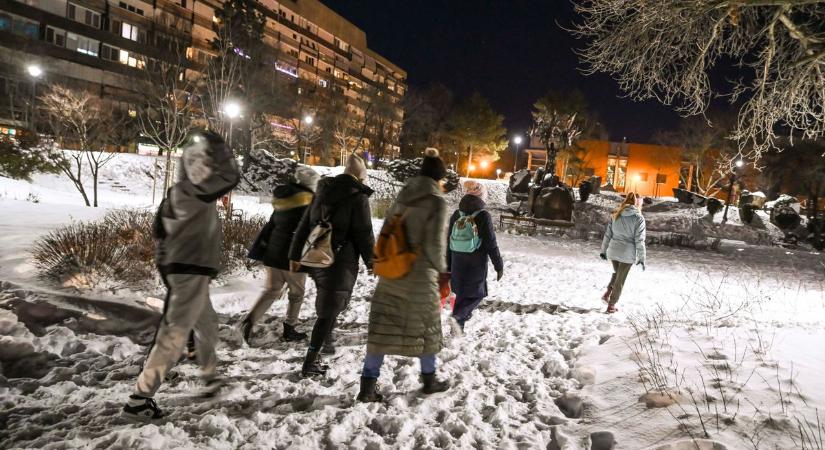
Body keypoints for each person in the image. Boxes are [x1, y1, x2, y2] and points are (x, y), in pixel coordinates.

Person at [123, 130, 240, 420]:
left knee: (208, 325)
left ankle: (210, 375)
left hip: (189, 273)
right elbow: (231, 176)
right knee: (172, 336)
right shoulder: (194, 191)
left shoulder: (180, 194)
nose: (207, 170)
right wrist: (219, 146)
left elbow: (159, 235)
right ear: (194, 167)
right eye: (202, 165)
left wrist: (169, 272)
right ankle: (139, 400)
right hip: (190, 273)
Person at [357, 148, 450, 402]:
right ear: (438, 178)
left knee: (381, 331)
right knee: (427, 330)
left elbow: (387, 228)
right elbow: (434, 244)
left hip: (393, 271)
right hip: (419, 276)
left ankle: (367, 387)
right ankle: (429, 380)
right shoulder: (436, 201)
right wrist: (443, 271)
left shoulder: (404, 195)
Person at [289, 153, 374, 377]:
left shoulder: (322, 191)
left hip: (316, 258)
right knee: (327, 313)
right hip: (339, 261)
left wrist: (295, 255)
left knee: (329, 307)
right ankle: (310, 362)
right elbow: (364, 233)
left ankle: (322, 345)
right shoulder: (358, 197)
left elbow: (304, 223)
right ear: (360, 177)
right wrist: (372, 261)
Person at [242, 166, 320, 344]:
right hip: (293, 256)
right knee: (297, 293)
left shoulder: (284, 199)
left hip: (273, 252)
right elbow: (312, 230)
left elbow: (271, 225)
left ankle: (248, 322)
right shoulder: (309, 202)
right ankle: (290, 328)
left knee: (272, 290)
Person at [446, 180, 504, 333]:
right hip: (475, 262)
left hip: (457, 260)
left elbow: (448, 240)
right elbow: (491, 243)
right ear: (481, 196)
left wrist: (448, 265)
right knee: (477, 294)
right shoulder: (483, 215)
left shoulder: (456, 214)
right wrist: (498, 265)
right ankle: (458, 317)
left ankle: (457, 330)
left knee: (461, 294)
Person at [599, 192, 646, 313]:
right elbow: (640, 240)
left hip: (613, 251)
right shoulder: (638, 218)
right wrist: (641, 258)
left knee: (617, 274)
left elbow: (608, 235)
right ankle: (611, 305)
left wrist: (603, 251)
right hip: (627, 254)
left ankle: (608, 293)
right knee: (620, 280)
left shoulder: (616, 215)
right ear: (637, 203)